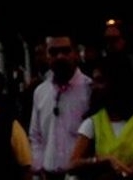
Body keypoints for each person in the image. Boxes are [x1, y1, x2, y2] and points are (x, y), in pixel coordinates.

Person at [67, 55, 133, 180]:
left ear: (117, 84)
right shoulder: (92, 123)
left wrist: (123, 172)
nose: (94, 87)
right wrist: (102, 160)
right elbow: (72, 164)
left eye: (100, 81)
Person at [29, 35, 91, 180]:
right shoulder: (40, 92)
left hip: (81, 174)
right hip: (48, 174)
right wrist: (39, 166)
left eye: (65, 51)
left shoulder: (89, 89)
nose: (59, 57)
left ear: (76, 53)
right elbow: (35, 135)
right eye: (53, 52)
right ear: (47, 56)